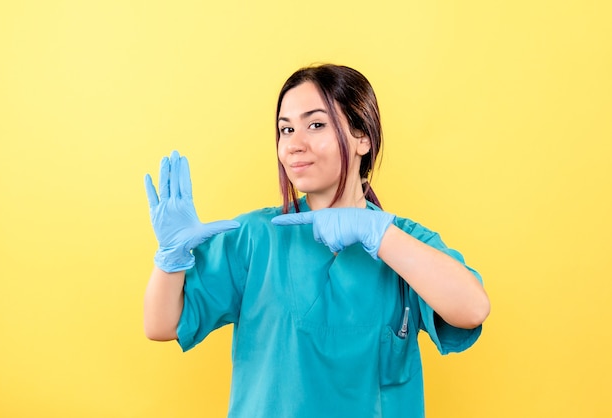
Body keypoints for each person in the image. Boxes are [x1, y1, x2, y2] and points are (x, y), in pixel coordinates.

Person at [143, 64, 490, 418]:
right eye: (286, 129)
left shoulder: (404, 242)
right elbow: (161, 325)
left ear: (363, 138)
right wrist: (170, 259)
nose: (294, 144)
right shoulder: (254, 237)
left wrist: (378, 233)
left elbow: (473, 309)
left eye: (316, 124)